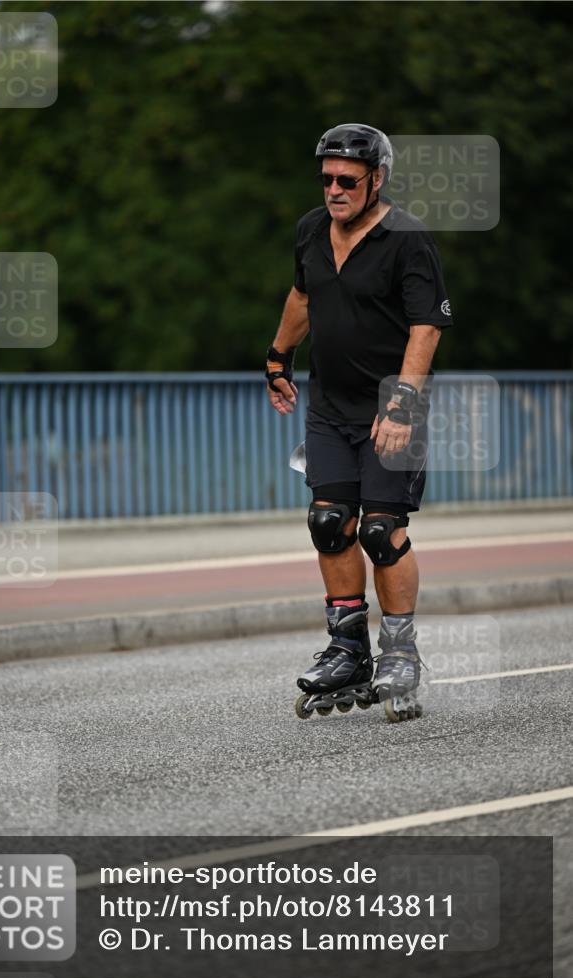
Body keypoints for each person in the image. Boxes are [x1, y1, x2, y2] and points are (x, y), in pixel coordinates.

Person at [265, 123, 453, 723]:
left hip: (390, 410)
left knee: (380, 530)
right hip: (329, 408)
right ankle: (348, 649)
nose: (335, 189)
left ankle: (400, 653)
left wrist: (400, 405)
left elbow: (426, 326)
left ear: (377, 180)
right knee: (328, 523)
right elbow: (302, 298)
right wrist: (276, 358)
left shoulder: (407, 239)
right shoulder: (312, 231)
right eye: (326, 178)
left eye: (348, 179)